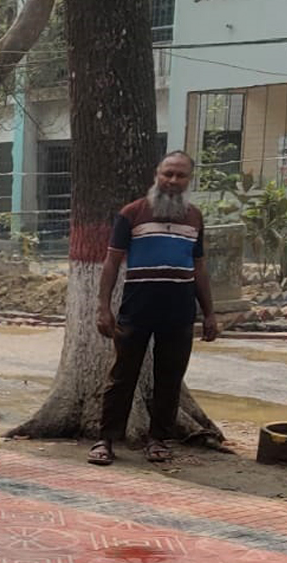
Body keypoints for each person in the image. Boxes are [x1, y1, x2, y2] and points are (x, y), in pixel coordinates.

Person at [90, 150, 218, 466]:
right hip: (137, 309)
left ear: (190, 179)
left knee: (170, 377)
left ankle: (158, 439)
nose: (173, 180)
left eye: (180, 175)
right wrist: (103, 308)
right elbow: (111, 263)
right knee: (122, 376)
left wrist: (210, 313)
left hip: (179, 312)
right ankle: (105, 439)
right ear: (157, 175)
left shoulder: (195, 217)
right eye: (168, 174)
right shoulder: (132, 213)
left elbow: (199, 267)